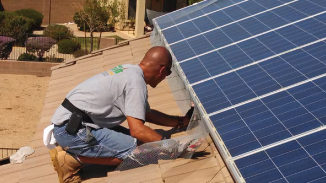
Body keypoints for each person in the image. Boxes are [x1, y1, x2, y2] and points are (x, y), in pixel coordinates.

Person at [49, 46, 193, 183]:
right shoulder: (136, 83)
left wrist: (180, 122)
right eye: (168, 73)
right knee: (141, 153)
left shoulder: (130, 70)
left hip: (71, 124)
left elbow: (147, 114)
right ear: (162, 70)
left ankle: (74, 150)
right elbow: (137, 130)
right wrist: (172, 146)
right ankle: (72, 159)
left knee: (147, 143)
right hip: (74, 131)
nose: (165, 77)